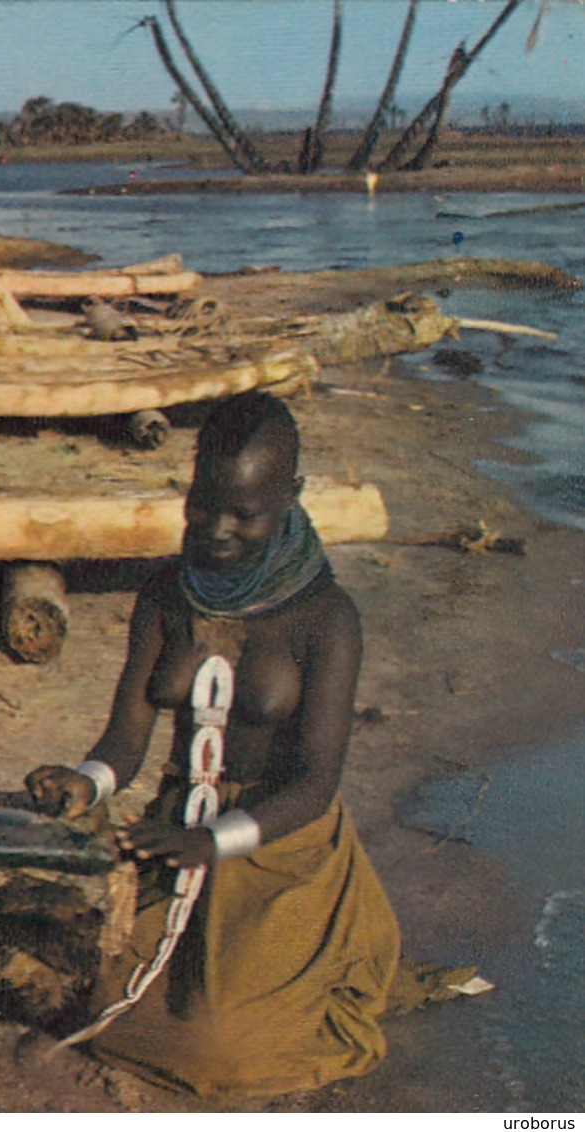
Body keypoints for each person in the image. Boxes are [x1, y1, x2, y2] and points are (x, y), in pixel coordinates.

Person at [24, 391, 401, 1100]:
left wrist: (213, 842)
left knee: (214, 1046)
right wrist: (89, 782)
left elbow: (316, 784)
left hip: (279, 851)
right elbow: (125, 739)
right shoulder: (167, 592)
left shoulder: (327, 618)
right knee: (75, 980)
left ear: (289, 497)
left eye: (245, 514)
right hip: (173, 829)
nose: (217, 529)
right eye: (203, 505)